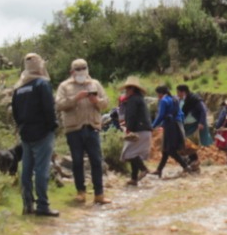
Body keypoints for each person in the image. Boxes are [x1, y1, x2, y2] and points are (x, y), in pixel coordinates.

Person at [10, 53, 60, 217]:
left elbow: (15, 113)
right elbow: (48, 109)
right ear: (40, 66)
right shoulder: (41, 84)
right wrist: (53, 126)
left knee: (26, 169)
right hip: (42, 132)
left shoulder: (18, 88)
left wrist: (22, 127)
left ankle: (27, 204)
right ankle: (43, 205)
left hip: (25, 133)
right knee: (41, 170)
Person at [56, 58, 111, 204]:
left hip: (92, 127)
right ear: (72, 72)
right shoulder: (64, 86)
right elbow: (59, 104)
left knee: (96, 161)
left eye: (83, 69)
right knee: (77, 161)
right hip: (74, 129)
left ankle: (99, 194)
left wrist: (96, 101)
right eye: (78, 70)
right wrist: (75, 99)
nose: (81, 72)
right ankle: (80, 192)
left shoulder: (95, 84)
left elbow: (106, 103)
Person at [151, 83, 194, 177]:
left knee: (170, 150)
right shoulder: (174, 99)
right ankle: (159, 170)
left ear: (160, 93)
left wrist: (153, 125)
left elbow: (161, 115)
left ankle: (186, 166)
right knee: (165, 150)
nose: (157, 96)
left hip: (170, 126)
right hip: (177, 125)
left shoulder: (164, 101)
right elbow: (181, 113)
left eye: (157, 94)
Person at [119, 77, 152, 187]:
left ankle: (143, 169)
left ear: (132, 89)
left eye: (127, 89)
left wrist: (129, 129)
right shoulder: (139, 99)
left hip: (139, 130)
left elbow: (132, 116)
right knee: (135, 153)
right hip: (144, 129)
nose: (126, 91)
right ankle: (134, 178)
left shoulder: (133, 100)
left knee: (128, 153)